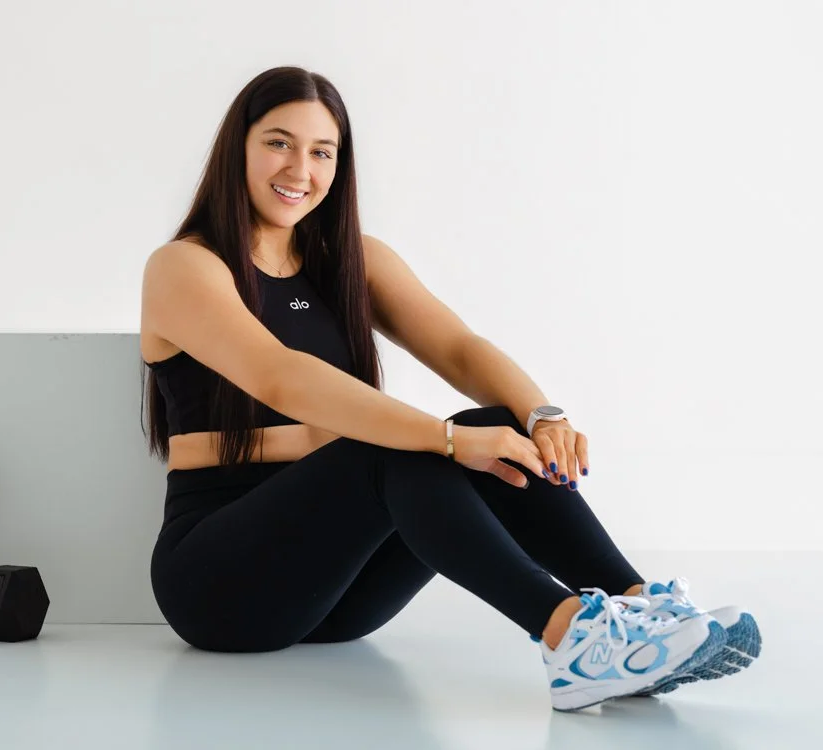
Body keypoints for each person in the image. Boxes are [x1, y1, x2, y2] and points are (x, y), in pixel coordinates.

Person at [138, 66, 760, 712]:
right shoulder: (186, 266)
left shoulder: (352, 263)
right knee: (395, 446)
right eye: (278, 142)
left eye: (322, 152)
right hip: (217, 582)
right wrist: (447, 439)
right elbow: (279, 375)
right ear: (237, 146)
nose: (300, 169)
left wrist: (541, 415)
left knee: (496, 427)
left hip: (336, 594)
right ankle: (570, 636)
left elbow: (460, 349)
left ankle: (642, 617)